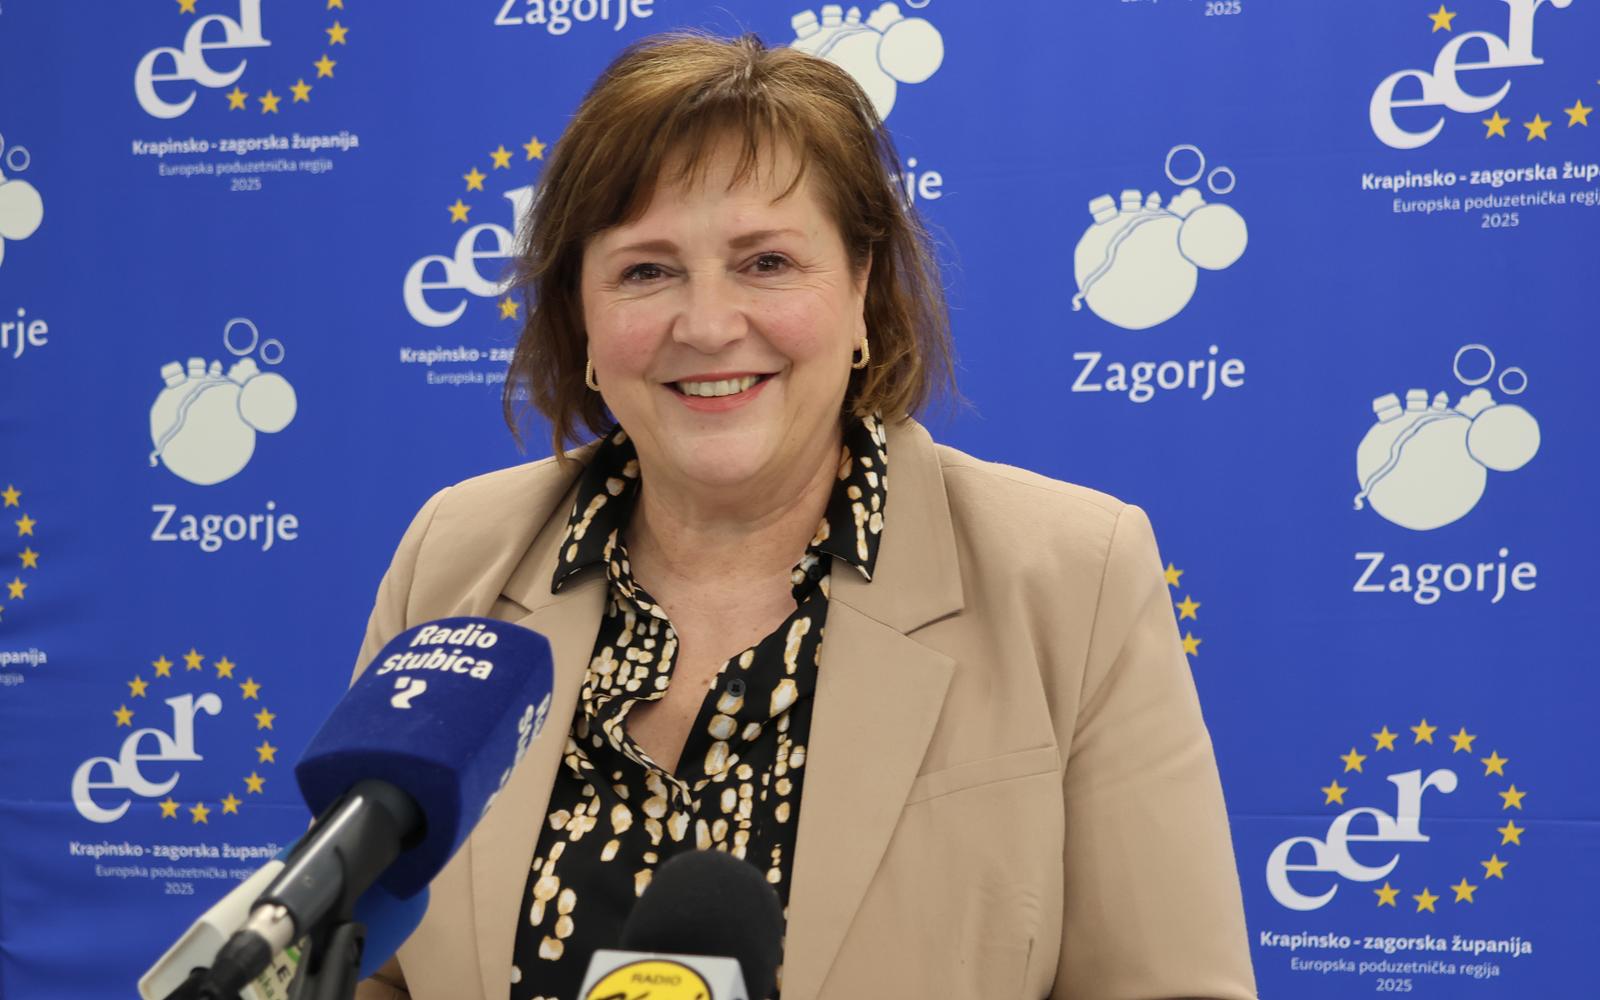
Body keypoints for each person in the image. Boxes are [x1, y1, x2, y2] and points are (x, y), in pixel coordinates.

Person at [353, 31, 1255, 1000]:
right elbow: (363, 970)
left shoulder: (1071, 577)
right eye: (646, 270)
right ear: (581, 312)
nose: (707, 324)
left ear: (862, 286)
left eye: (767, 262)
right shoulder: (455, 559)